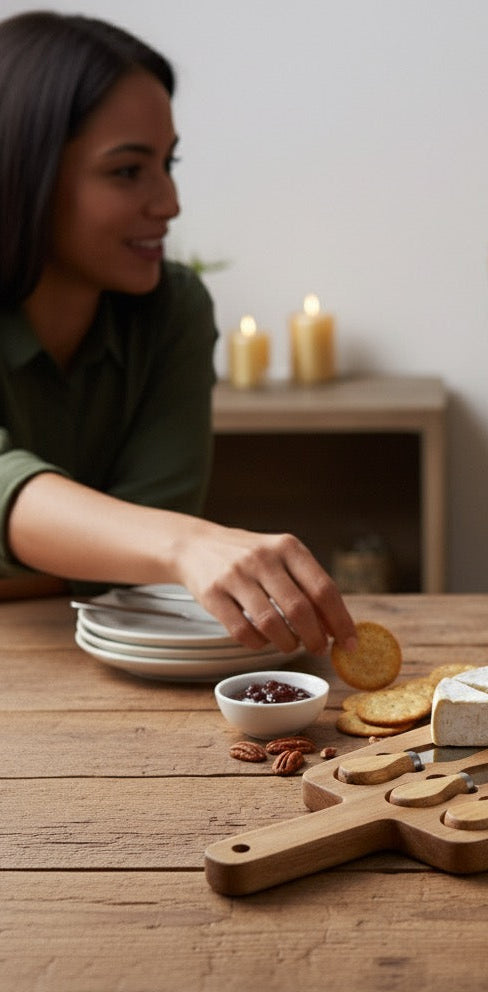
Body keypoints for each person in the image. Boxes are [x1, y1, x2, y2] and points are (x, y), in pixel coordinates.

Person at [0, 11, 356, 656]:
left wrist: (134, 548)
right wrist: (184, 543)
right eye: (128, 171)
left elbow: (125, 559)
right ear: (26, 173)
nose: (169, 202)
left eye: (168, 163)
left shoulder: (174, 309)